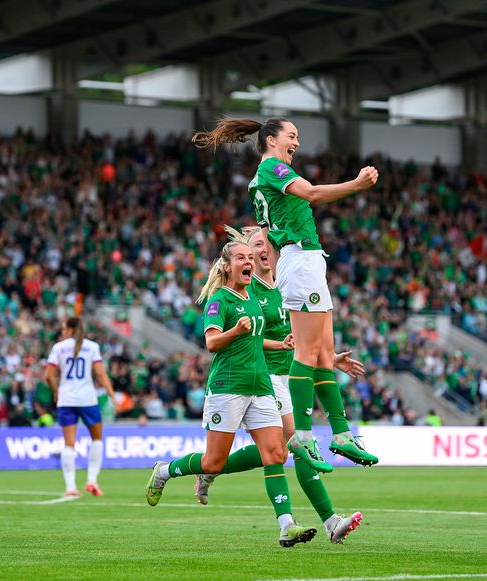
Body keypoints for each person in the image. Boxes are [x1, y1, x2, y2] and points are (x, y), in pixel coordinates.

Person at [192, 117, 379, 470]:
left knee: (323, 353)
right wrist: (356, 184)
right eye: (292, 136)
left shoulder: (261, 181)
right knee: (309, 353)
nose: (296, 142)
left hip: (305, 260)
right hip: (301, 260)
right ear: (271, 139)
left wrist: (277, 276)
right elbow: (310, 193)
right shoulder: (272, 169)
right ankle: (305, 437)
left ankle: (340, 434)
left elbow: (268, 235)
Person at [193, 226, 365, 544]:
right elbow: (250, 339)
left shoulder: (284, 287)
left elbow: (298, 338)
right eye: (253, 247)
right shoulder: (246, 292)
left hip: (291, 376)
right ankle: (328, 522)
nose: (261, 250)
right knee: (296, 445)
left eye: (265, 244)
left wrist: (328, 357)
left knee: (277, 452)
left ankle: (211, 471)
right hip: (265, 378)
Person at [145, 240, 317, 547]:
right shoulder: (219, 300)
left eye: (250, 257)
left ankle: (286, 525)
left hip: (260, 386)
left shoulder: (251, 297)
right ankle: (165, 470)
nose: (248, 261)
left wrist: (278, 344)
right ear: (227, 266)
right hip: (228, 386)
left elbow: (255, 336)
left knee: (276, 453)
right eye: (242, 257)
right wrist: (235, 331)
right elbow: (212, 342)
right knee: (212, 462)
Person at [45, 317, 116, 497]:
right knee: (97, 439)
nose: (62, 331)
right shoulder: (92, 347)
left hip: (66, 400)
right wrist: (112, 395)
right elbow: (100, 373)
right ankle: (92, 480)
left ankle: (70, 487)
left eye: (63, 328)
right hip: (87, 399)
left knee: (69, 444)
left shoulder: (58, 348)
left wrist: (56, 391)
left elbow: (48, 376)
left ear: (69, 329)